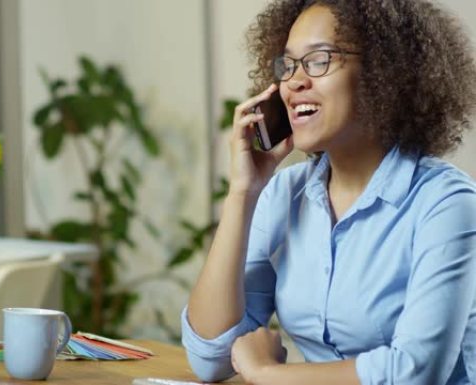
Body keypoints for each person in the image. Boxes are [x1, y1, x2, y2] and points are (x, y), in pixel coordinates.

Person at [181, 1, 476, 384]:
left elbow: (414, 372)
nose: (295, 82)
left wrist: (266, 373)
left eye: (319, 60)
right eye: (288, 65)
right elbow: (210, 359)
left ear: (381, 73)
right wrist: (242, 193)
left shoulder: (448, 203)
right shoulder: (285, 193)